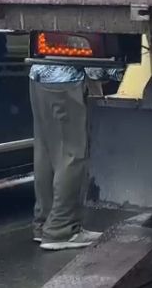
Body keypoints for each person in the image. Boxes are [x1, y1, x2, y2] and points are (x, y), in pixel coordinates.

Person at [29, 62, 121, 250]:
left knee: (46, 151)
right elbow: (98, 61)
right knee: (73, 154)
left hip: (39, 76)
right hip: (70, 82)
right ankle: (61, 229)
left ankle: (43, 223)